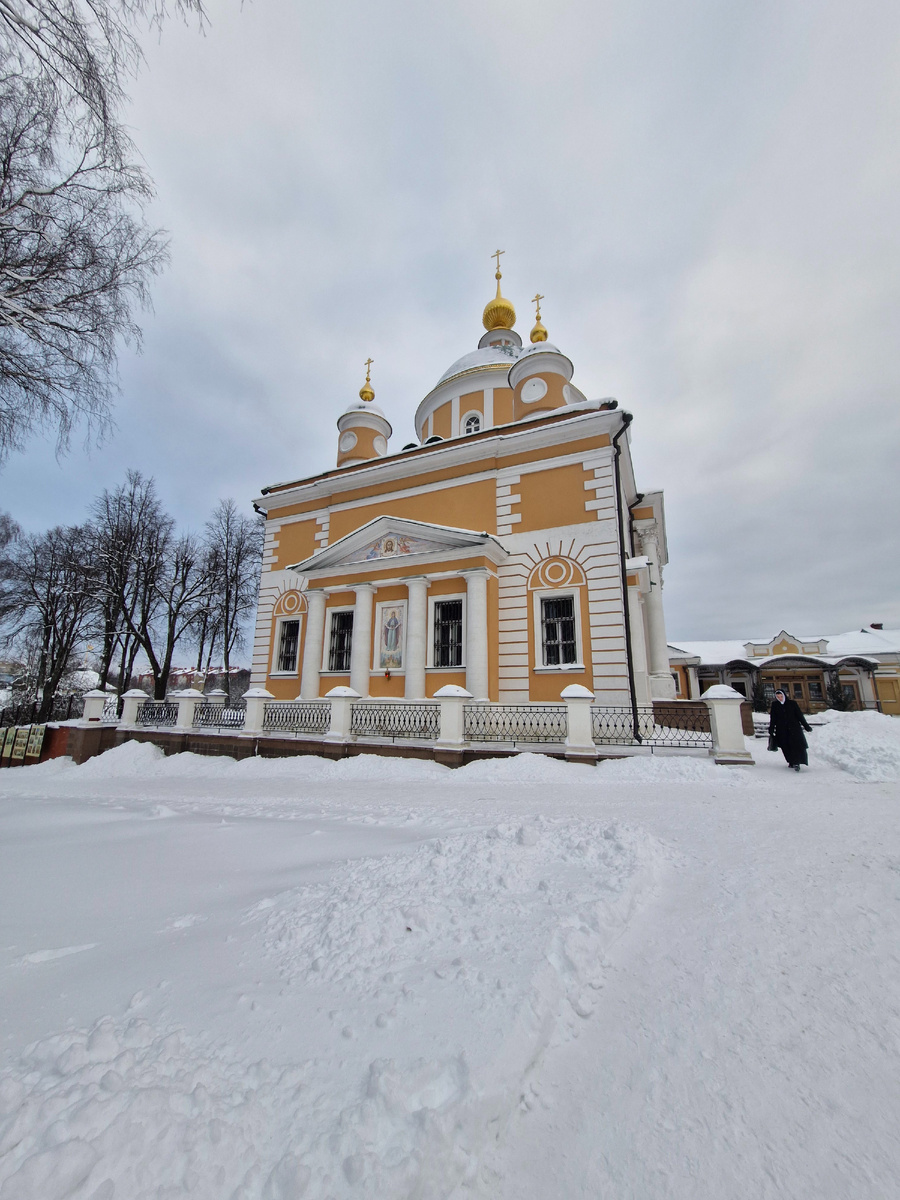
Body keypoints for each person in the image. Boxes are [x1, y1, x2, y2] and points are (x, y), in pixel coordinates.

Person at [768, 688, 812, 771]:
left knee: (796, 745)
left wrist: (806, 726)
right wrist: (771, 728)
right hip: (782, 730)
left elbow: (799, 716)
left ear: (784, 695)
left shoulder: (792, 704)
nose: (780, 698)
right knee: (785, 746)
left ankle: (797, 762)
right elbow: (773, 718)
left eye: (781, 696)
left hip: (794, 729)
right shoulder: (775, 705)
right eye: (778, 697)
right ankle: (791, 761)